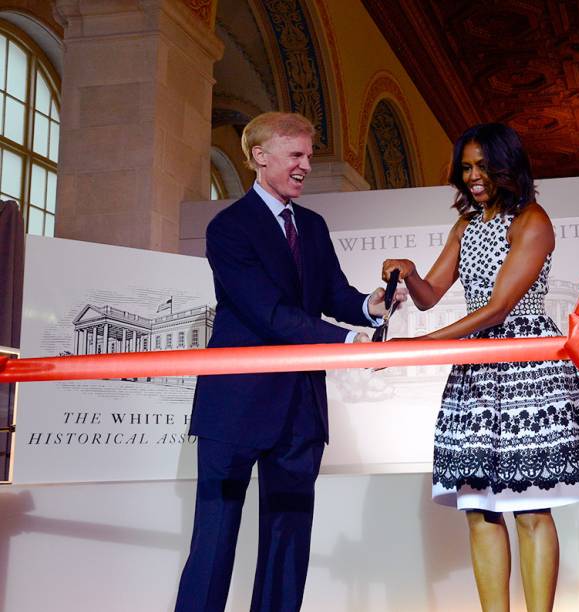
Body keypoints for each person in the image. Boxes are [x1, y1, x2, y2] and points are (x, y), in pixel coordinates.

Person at [175, 111, 401, 612]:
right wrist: (347, 343)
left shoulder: (314, 227)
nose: (305, 166)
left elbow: (333, 294)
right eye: (295, 155)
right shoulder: (228, 229)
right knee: (213, 545)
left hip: (300, 408)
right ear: (259, 156)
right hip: (234, 407)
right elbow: (269, 314)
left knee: (288, 544)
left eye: (308, 155)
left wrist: (371, 306)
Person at [381, 123, 579, 612]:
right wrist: (412, 273)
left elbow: (500, 306)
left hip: (526, 369)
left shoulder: (533, 220)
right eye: (466, 168)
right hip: (476, 372)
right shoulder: (467, 226)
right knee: (477, 508)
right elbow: (430, 295)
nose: (474, 177)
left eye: (483, 166)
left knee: (529, 507)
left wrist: (418, 347)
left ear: (508, 166)